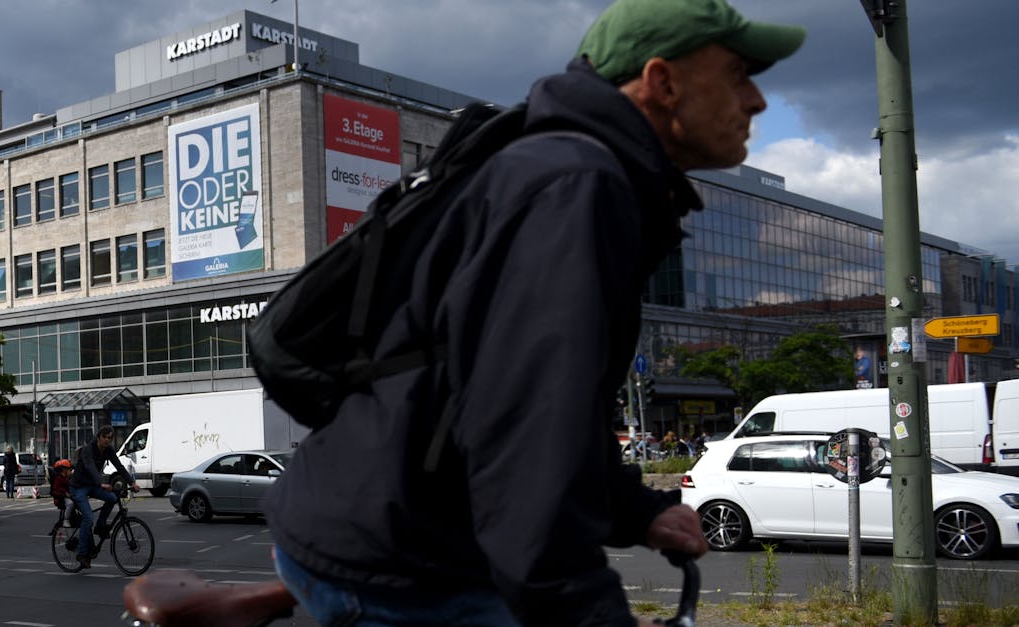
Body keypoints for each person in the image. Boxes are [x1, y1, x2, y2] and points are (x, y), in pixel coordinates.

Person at [262, 0, 794, 623]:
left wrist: (635, 510)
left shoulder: (566, 170)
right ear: (663, 82)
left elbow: (555, 407)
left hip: (388, 521)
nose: (756, 100)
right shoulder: (576, 186)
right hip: (405, 562)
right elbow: (526, 433)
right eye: (736, 74)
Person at [70, 426, 134, 569]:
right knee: (87, 517)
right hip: (78, 487)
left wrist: (132, 482)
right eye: (105, 437)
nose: (107, 440)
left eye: (110, 438)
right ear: (98, 437)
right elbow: (90, 466)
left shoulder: (108, 450)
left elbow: (119, 466)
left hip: (92, 485)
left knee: (112, 498)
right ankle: (81, 553)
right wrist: (101, 483)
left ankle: (100, 526)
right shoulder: (88, 450)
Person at [47, 459, 74, 532]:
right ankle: (66, 520)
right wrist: (65, 493)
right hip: (61, 498)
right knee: (70, 504)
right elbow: (58, 489)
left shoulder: (65, 477)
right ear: (63, 470)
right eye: (68, 469)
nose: (70, 470)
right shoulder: (59, 478)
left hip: (65, 496)